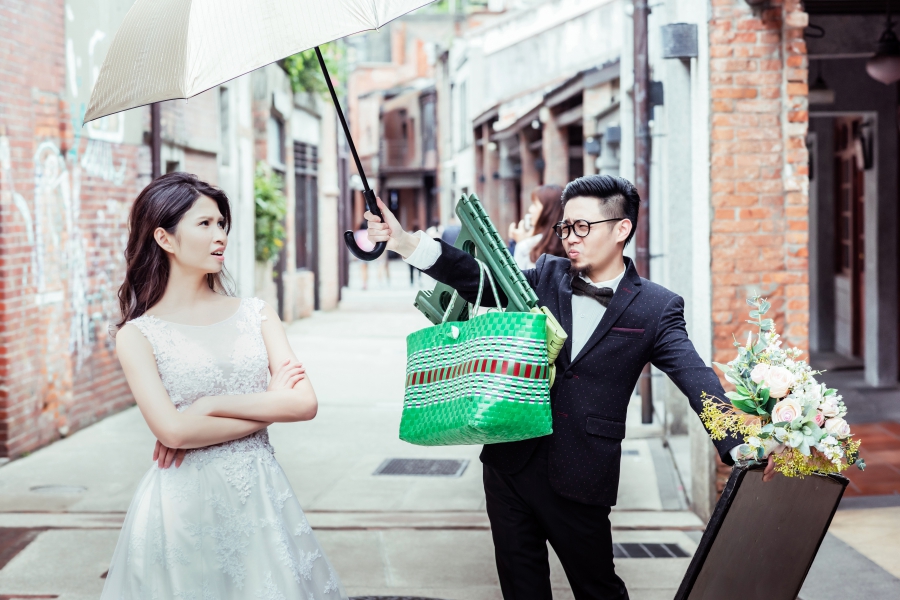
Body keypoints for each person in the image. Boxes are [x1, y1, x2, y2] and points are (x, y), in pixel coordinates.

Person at [366, 174, 774, 600]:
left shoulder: (656, 306)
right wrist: (404, 242)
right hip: (509, 463)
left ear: (622, 229)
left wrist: (739, 443)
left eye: (582, 227)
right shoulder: (546, 274)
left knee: (598, 590)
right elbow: (475, 276)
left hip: (581, 474)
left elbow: (695, 378)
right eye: (565, 227)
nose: (569, 238)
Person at [103, 173, 346, 600]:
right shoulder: (137, 335)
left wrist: (209, 405)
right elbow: (173, 433)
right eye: (204, 224)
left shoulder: (256, 314)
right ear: (165, 238)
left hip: (261, 498)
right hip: (182, 505)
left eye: (221, 224)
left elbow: (304, 403)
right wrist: (270, 403)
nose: (220, 236)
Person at [508, 184, 565, 269]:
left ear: (548, 210)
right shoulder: (569, 243)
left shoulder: (526, 247)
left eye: (535, 204)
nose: (530, 209)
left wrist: (519, 244)